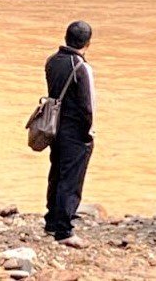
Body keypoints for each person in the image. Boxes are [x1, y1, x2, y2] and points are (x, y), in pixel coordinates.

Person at [44, 21, 96, 248]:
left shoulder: (52, 61)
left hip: (54, 127)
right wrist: (88, 132)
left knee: (56, 172)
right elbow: (88, 105)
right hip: (75, 130)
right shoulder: (81, 67)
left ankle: (52, 220)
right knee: (71, 179)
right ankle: (64, 230)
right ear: (88, 43)